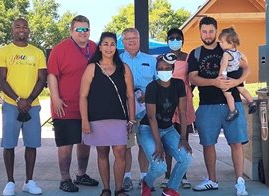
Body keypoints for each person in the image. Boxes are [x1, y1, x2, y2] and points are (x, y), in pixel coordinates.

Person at [188, 17, 249, 196]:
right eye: (204, 31)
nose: (208, 35)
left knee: (236, 143)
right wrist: (214, 82)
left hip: (233, 103)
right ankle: (212, 180)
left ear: (216, 31)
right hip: (207, 106)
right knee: (208, 144)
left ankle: (240, 183)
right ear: (200, 32)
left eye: (211, 31)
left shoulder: (228, 47)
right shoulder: (196, 53)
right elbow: (192, 78)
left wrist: (237, 81)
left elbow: (247, 68)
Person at [0, 18, 47, 196]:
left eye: (24, 26)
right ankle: (10, 182)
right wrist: (17, 99)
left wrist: (29, 99)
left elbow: (42, 78)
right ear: (12, 30)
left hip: (32, 106)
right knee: (9, 144)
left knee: (31, 144)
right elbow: (1, 80)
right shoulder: (3, 51)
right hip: (11, 105)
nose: (21, 29)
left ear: (29, 30)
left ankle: (29, 181)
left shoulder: (38, 52)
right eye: (17, 26)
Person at [47, 15, 99, 193]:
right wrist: (55, 98)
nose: (83, 33)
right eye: (79, 29)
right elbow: (52, 74)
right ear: (71, 31)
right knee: (66, 144)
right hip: (65, 106)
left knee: (85, 142)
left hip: (89, 106)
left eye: (86, 29)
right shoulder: (59, 49)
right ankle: (65, 178)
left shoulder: (94, 47)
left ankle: (81, 174)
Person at [80, 32, 135, 196]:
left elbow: (130, 95)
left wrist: (132, 119)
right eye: (105, 44)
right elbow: (83, 96)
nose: (109, 47)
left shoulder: (124, 68)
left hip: (119, 118)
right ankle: (106, 188)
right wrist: (84, 121)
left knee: (120, 152)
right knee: (102, 152)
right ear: (100, 47)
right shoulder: (92, 68)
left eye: (112, 44)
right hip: (97, 118)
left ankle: (119, 189)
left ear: (115, 47)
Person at [138, 53, 192, 196]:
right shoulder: (152, 87)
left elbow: (182, 112)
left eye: (167, 68)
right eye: (160, 68)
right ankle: (147, 183)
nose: (164, 71)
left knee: (186, 158)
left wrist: (183, 138)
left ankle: (170, 189)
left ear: (173, 69)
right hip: (148, 129)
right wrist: (158, 143)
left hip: (168, 129)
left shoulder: (178, 84)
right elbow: (151, 117)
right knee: (159, 167)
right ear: (156, 70)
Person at [160, 28, 195, 189]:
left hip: (184, 101)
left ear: (182, 40)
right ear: (167, 40)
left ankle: (183, 175)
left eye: (178, 38)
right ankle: (168, 175)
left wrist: (186, 94)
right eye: (171, 38)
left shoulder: (189, 58)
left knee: (183, 138)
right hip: (166, 102)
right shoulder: (161, 58)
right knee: (167, 139)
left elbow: (192, 79)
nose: (175, 40)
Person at [119, 28, 152, 192]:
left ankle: (144, 177)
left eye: (134, 38)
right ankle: (126, 177)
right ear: (122, 42)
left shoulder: (150, 59)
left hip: (146, 110)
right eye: (127, 39)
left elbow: (158, 82)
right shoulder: (116, 61)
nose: (131, 41)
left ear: (139, 39)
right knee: (126, 145)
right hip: (125, 110)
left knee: (144, 145)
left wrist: (149, 94)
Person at [218, 27, 257, 121]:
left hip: (230, 74)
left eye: (222, 42)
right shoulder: (237, 52)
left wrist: (221, 76)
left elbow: (224, 65)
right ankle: (251, 102)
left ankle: (233, 110)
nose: (220, 44)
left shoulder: (226, 54)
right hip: (238, 73)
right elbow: (245, 60)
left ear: (231, 42)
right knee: (242, 90)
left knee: (227, 93)